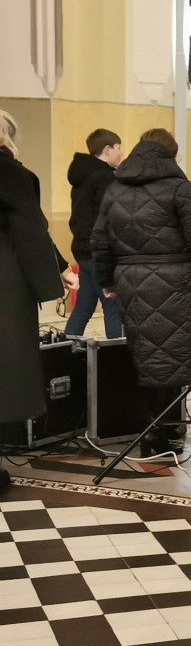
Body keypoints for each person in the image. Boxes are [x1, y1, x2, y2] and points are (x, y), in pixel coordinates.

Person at [91, 129, 191, 456]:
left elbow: (99, 240)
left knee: (148, 353)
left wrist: (107, 281)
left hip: (131, 281)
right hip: (177, 280)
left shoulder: (115, 189)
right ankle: (160, 430)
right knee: (174, 352)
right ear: (172, 155)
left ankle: (155, 427)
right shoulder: (181, 189)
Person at [0, 109, 67, 425]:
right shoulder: (10, 173)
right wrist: (51, 280)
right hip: (5, 276)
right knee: (8, 366)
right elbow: (29, 231)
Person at [65, 128, 123, 339]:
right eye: (118, 149)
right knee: (113, 305)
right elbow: (111, 218)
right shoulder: (105, 178)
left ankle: (67, 355)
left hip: (82, 249)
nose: (121, 154)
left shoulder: (82, 176)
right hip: (100, 251)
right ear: (107, 150)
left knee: (84, 306)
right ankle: (117, 361)